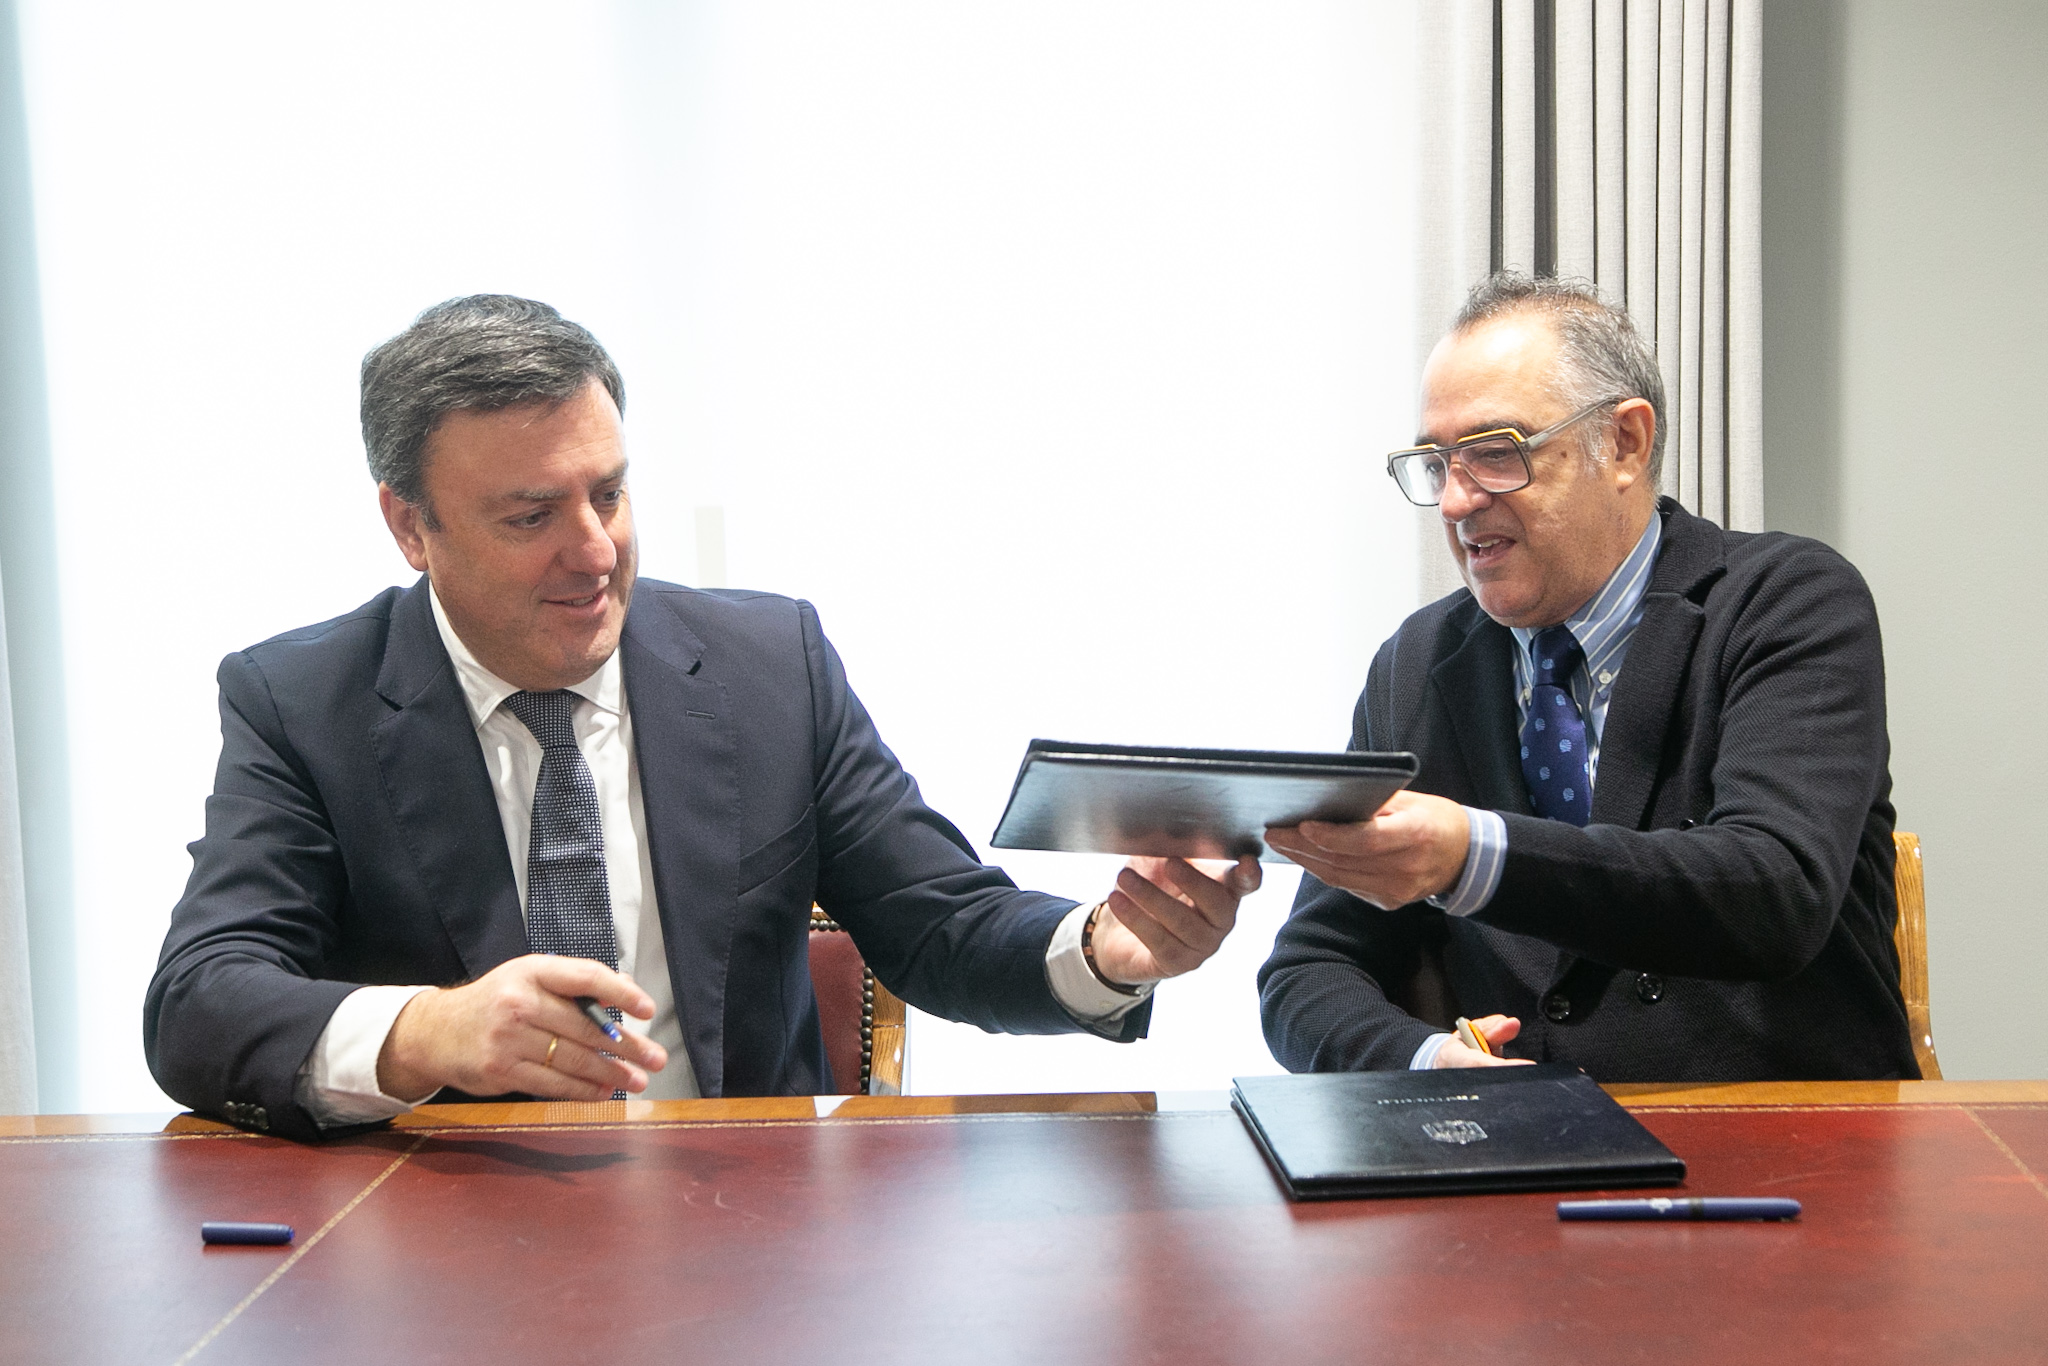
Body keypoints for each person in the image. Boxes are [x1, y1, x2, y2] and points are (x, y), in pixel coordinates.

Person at [146, 295, 1258, 1140]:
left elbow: (940, 925)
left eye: (609, 494)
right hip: (445, 1238)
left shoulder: (768, 666)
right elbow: (199, 1001)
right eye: (532, 516)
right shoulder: (304, 703)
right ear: (409, 527)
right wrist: (425, 1031)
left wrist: (1104, 951)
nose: (595, 551)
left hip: (742, 1226)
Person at [1257, 273, 1916, 1080]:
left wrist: (1473, 856)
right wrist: (1426, 1063)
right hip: (1527, 1140)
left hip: (1783, 1132)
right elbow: (1309, 972)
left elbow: (1775, 890)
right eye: (1437, 463)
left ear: (1625, 444)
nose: (1456, 502)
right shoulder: (1417, 664)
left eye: (1495, 454)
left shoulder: (1787, 600)